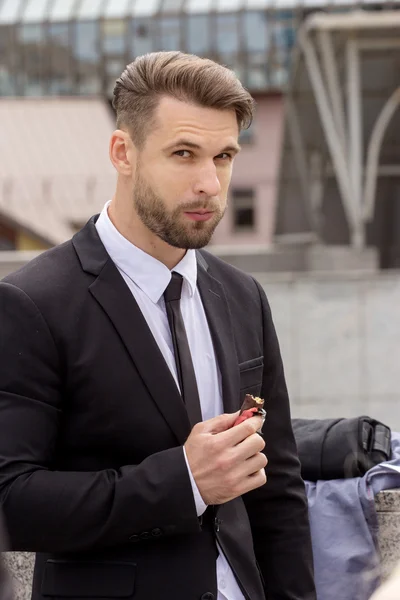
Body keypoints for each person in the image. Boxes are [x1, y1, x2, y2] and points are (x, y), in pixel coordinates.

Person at [0, 51, 315, 600]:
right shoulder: (33, 302)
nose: (210, 185)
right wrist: (184, 482)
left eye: (223, 156)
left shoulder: (243, 297)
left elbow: (278, 489)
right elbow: (10, 500)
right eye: (184, 154)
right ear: (124, 152)